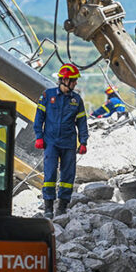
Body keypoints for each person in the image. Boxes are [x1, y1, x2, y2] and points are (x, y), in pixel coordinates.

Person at [34, 63, 89, 218]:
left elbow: (82, 123)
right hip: (51, 142)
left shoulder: (76, 100)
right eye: (73, 80)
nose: (75, 83)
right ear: (65, 80)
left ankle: (62, 207)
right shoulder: (48, 96)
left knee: (67, 176)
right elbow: (39, 118)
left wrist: (83, 141)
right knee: (50, 174)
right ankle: (48, 208)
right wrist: (39, 136)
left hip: (69, 143)